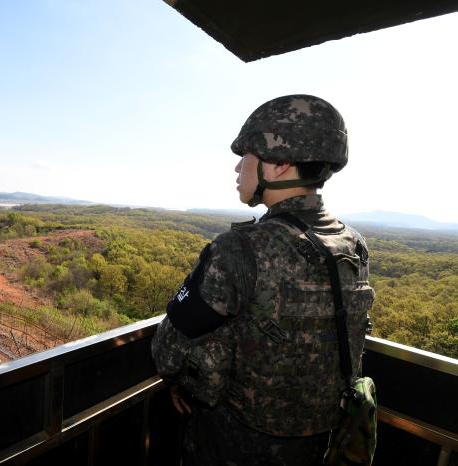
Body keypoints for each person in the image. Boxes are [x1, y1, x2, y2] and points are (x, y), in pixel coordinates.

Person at [151, 94, 374, 466]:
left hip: (234, 442)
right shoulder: (352, 246)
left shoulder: (239, 249)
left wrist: (180, 379)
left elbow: (167, 349)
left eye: (246, 156)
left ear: (280, 163)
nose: (238, 168)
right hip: (321, 443)